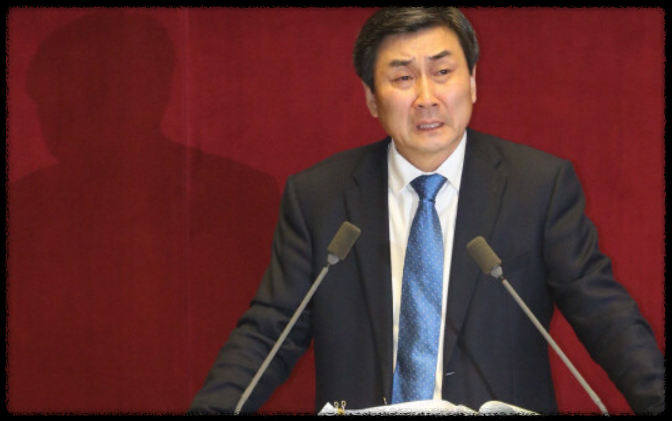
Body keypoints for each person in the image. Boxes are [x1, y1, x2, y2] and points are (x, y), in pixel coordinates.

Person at [188, 7, 664, 415]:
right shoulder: (319, 196)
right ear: (371, 98)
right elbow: (271, 331)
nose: (426, 98)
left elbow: (604, 315)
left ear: (472, 82)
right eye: (402, 77)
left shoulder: (537, 187)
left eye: (442, 72)